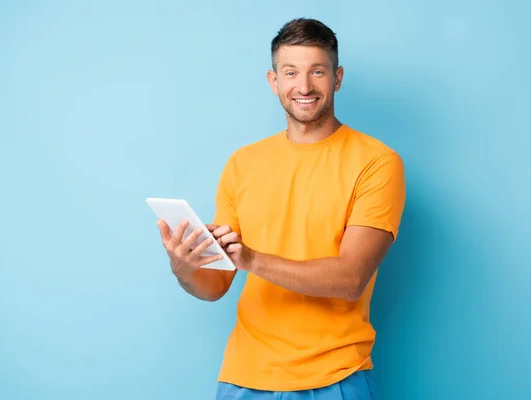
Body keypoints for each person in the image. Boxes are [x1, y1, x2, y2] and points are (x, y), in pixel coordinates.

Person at [156, 18, 406, 400]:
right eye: (291, 73)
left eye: (317, 72)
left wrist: (252, 259)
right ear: (274, 81)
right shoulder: (243, 163)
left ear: (337, 78)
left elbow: (350, 277)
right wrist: (183, 268)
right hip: (244, 378)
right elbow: (215, 285)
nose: (303, 87)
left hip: (334, 378)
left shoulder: (377, 162)